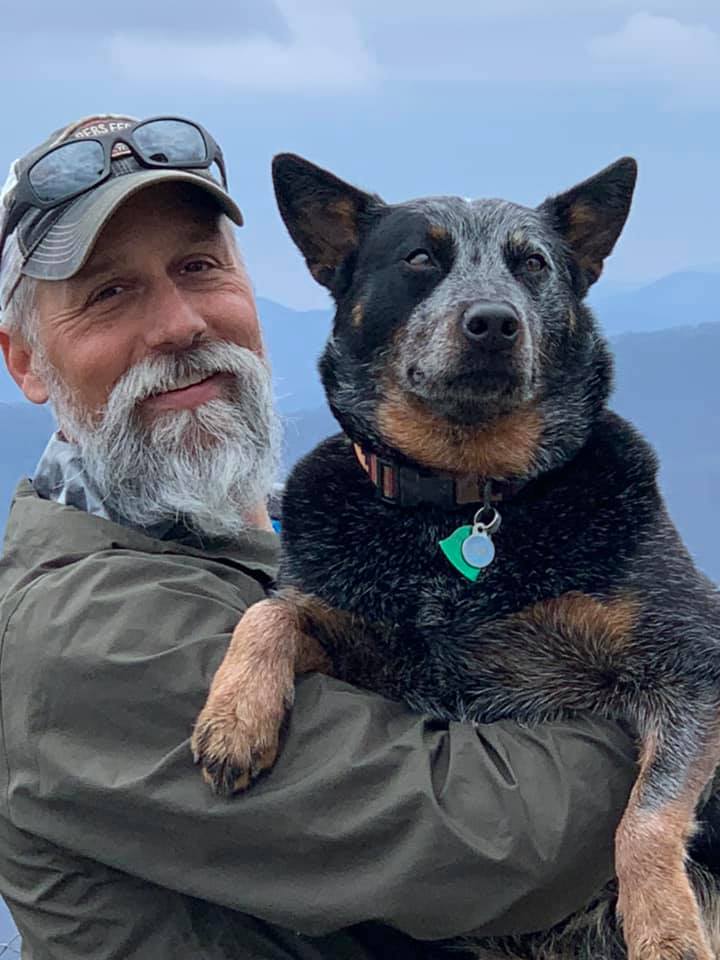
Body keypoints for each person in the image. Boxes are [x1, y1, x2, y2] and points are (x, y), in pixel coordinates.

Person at [0, 114, 636, 960]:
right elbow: (494, 842)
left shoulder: (271, 533)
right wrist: (673, 691)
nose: (181, 324)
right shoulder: (86, 632)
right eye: (109, 293)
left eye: (199, 267)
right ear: (26, 364)